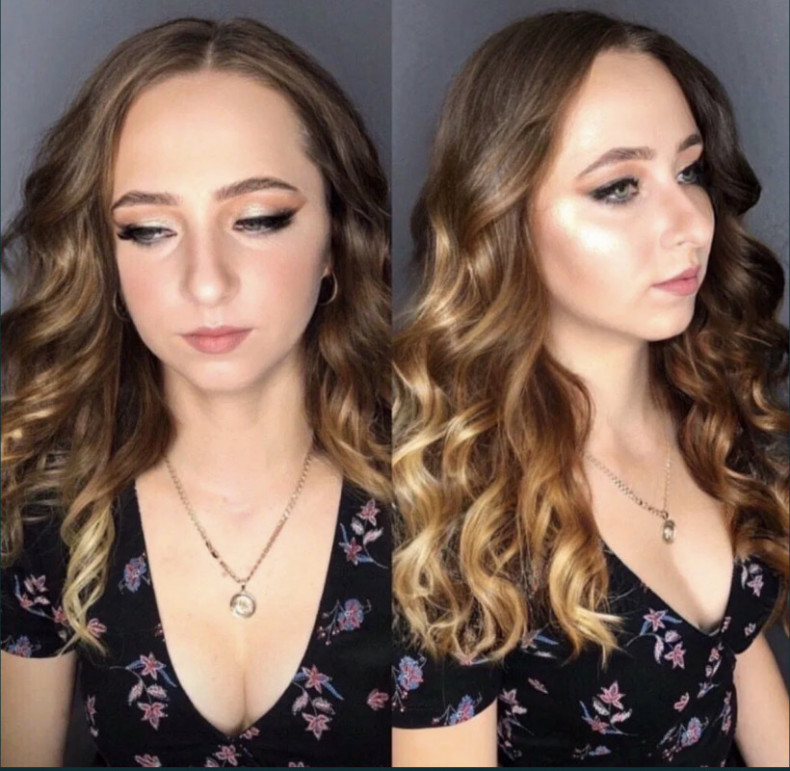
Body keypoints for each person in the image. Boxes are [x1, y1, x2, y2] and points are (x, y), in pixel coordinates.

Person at [392, 10, 788, 767]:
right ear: (503, 214)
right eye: (618, 187)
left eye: (690, 172)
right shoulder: (454, 507)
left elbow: (733, 651)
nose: (690, 224)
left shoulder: (704, 403)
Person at [0, 17, 391, 767]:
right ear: (103, 255)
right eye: (149, 229)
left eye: (258, 219)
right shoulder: (45, 508)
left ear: (337, 240)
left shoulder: (432, 492)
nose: (206, 282)